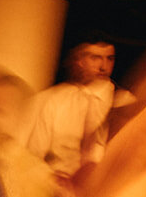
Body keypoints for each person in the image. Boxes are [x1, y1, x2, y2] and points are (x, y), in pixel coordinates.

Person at [20, 35, 131, 183]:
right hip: (55, 189)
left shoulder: (124, 102)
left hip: (107, 191)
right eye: (95, 57)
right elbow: (32, 156)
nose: (103, 66)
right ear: (79, 60)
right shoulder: (53, 100)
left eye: (110, 58)